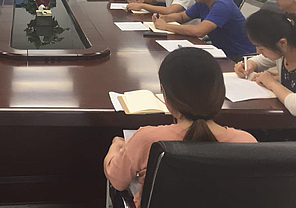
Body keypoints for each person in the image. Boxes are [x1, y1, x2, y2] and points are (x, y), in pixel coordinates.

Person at [104, 47, 256, 208]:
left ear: (165, 95)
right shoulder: (247, 143)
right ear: (220, 93)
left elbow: (117, 180)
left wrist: (117, 146)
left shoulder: (147, 140)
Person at [152, 0, 255, 57]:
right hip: (220, 52)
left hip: (238, 57)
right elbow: (183, 16)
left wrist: (165, 26)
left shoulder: (222, 6)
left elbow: (199, 31)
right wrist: (164, 17)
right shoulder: (203, 2)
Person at [235, 10, 296, 115]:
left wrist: (272, 83)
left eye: (261, 48)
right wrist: (248, 65)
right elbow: (259, 60)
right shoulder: (282, 53)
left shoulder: (281, 51)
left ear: (282, 43)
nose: (258, 52)